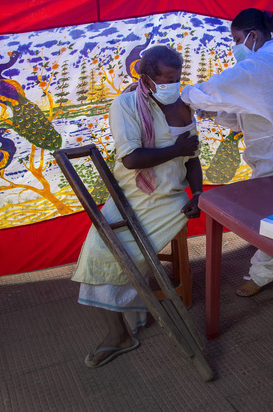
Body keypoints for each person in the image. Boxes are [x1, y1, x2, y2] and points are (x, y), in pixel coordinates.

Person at [72, 45, 203, 368]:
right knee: (98, 252)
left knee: (131, 254)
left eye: (178, 77)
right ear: (147, 77)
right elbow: (131, 159)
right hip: (129, 195)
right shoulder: (126, 104)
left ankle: (125, 323)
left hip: (170, 199)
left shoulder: (183, 105)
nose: (173, 84)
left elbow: (193, 158)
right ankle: (119, 333)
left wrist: (198, 195)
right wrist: (176, 149)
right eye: (167, 79)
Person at [181, 8, 273, 297]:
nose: (235, 46)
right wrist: (212, 115)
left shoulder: (259, 66)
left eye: (237, 38)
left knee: (272, 216)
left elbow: (210, 90)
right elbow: (252, 114)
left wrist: (182, 95)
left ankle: (265, 273)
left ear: (252, 35)